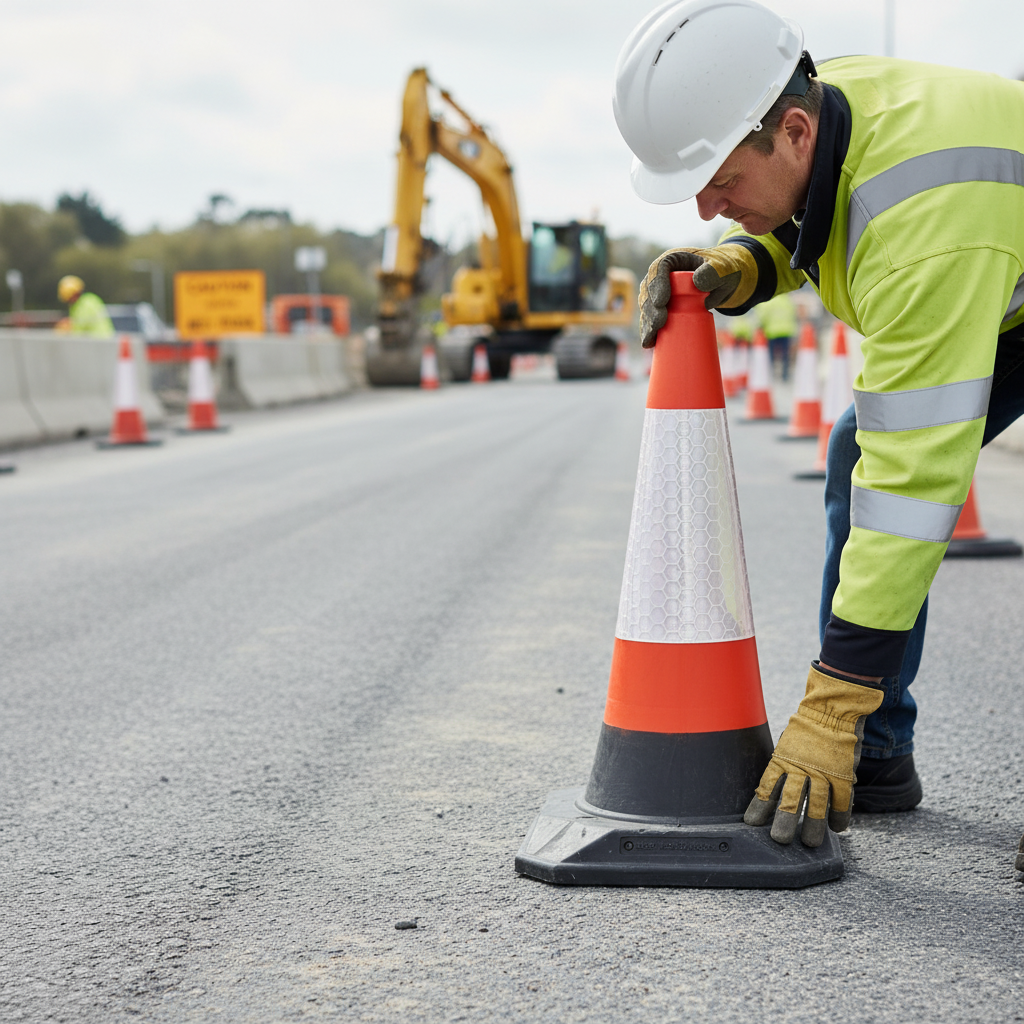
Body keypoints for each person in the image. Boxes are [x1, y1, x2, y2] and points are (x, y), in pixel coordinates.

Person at [613, 0, 1024, 871]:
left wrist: (832, 700)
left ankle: (859, 726)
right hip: (1005, 258)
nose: (705, 206)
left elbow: (912, 483)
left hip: (976, 246)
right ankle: (879, 753)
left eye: (720, 182)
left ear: (792, 129)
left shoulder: (923, 221)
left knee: (889, 469)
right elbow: (819, 210)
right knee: (852, 447)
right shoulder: (819, 101)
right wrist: (749, 257)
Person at [755, 291, 797, 381]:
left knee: (771, 355)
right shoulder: (787, 300)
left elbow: (763, 315)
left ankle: (771, 374)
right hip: (786, 331)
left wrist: (761, 326)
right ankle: (785, 375)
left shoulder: (769, 300)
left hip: (772, 331)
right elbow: (793, 314)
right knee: (785, 354)